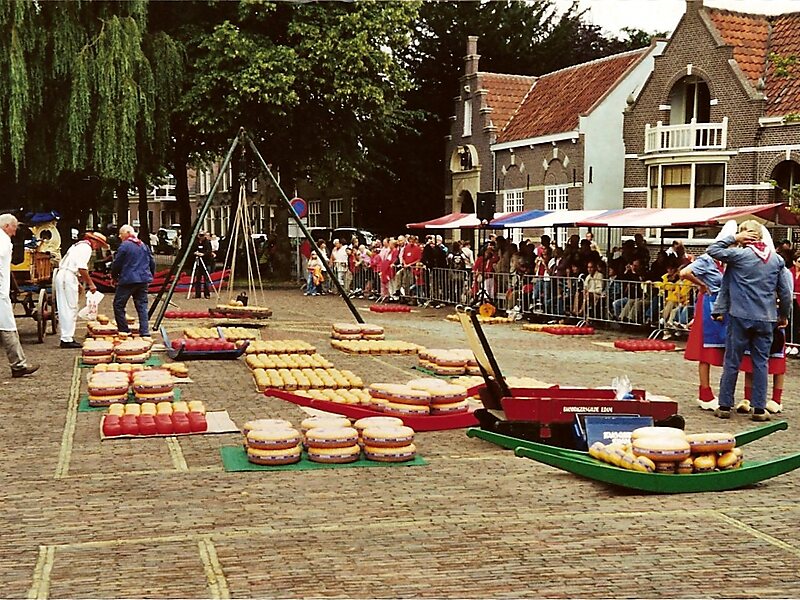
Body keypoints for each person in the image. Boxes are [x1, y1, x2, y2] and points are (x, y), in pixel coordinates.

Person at [707, 220, 793, 421]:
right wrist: (784, 315)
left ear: (745, 235)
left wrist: (734, 238)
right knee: (761, 363)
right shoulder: (776, 260)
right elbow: (786, 293)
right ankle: (759, 409)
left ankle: (725, 405)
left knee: (732, 361)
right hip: (767, 318)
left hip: (740, 316)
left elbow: (713, 249)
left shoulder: (739, 255)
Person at [54, 231, 109, 348]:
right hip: (68, 276)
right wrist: (91, 283)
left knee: (67, 306)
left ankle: (67, 336)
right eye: (98, 244)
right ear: (94, 241)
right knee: (70, 307)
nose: (97, 247)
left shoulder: (77, 246)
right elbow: (82, 268)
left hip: (66, 275)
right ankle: (66, 338)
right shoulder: (86, 248)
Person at [0, 214, 38, 377]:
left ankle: (18, 364)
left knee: (8, 327)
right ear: (7, 226)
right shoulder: (3, 241)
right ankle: (18, 365)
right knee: (8, 328)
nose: (15, 233)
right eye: (14, 228)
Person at [111, 225, 155, 338]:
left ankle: (124, 330)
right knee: (142, 306)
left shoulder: (124, 246)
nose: (120, 236)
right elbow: (152, 261)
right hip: (143, 280)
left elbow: (117, 263)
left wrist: (114, 276)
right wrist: (150, 275)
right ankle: (145, 332)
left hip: (128, 280)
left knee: (118, 305)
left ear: (127, 233)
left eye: (121, 234)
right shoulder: (143, 245)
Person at [193, 232, 214, 299]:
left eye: (202, 236)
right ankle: (198, 294)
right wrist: (195, 253)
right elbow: (193, 249)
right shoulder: (196, 242)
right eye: (200, 236)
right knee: (198, 279)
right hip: (199, 263)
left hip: (206, 263)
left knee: (206, 279)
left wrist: (203, 254)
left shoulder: (207, 243)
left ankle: (207, 294)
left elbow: (209, 252)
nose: (201, 237)